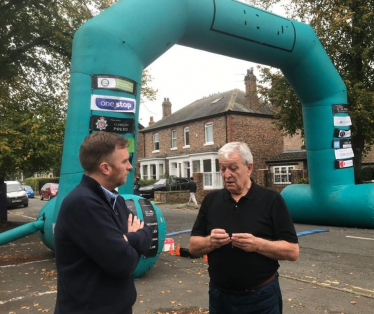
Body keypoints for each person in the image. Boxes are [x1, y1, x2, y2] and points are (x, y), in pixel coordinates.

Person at [188, 142, 299, 314]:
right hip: (220, 297)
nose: (227, 175)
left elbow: (292, 251)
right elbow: (193, 247)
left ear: (249, 168)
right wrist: (210, 242)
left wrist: (257, 244)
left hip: (261, 298)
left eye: (233, 168)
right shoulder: (211, 201)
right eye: (222, 169)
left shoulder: (271, 200)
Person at [54, 132, 152, 314]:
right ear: (105, 168)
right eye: (124, 162)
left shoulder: (117, 200)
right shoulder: (83, 204)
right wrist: (135, 241)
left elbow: (148, 233)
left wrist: (129, 239)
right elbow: (124, 264)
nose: (130, 167)